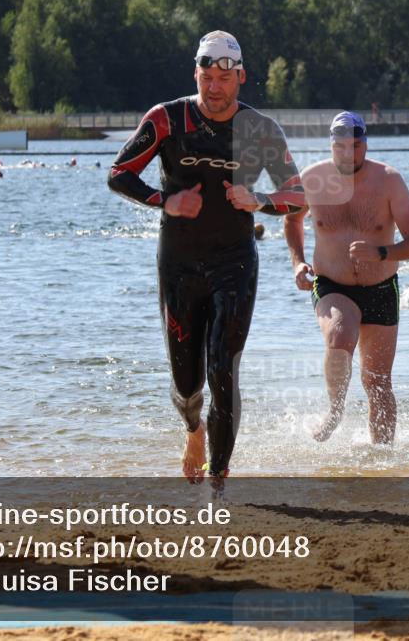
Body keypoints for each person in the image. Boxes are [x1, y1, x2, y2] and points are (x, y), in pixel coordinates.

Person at [107, 31, 305, 485]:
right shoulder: (167, 119)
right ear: (195, 74)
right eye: (206, 77)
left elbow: (299, 197)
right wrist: (166, 201)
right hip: (179, 264)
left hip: (234, 262)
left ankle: (219, 481)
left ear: (241, 78)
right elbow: (119, 173)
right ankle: (193, 430)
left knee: (223, 369)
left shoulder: (260, 129)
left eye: (224, 78)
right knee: (186, 384)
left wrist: (259, 201)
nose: (214, 87)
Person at [284, 112, 409, 444]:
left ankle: (383, 458)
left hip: (381, 287)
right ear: (331, 145)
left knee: (377, 382)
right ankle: (335, 410)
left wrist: (381, 252)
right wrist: (298, 263)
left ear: (365, 144)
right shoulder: (311, 179)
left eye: (355, 146)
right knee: (340, 335)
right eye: (341, 147)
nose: (348, 154)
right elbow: (292, 221)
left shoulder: (389, 181)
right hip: (332, 284)